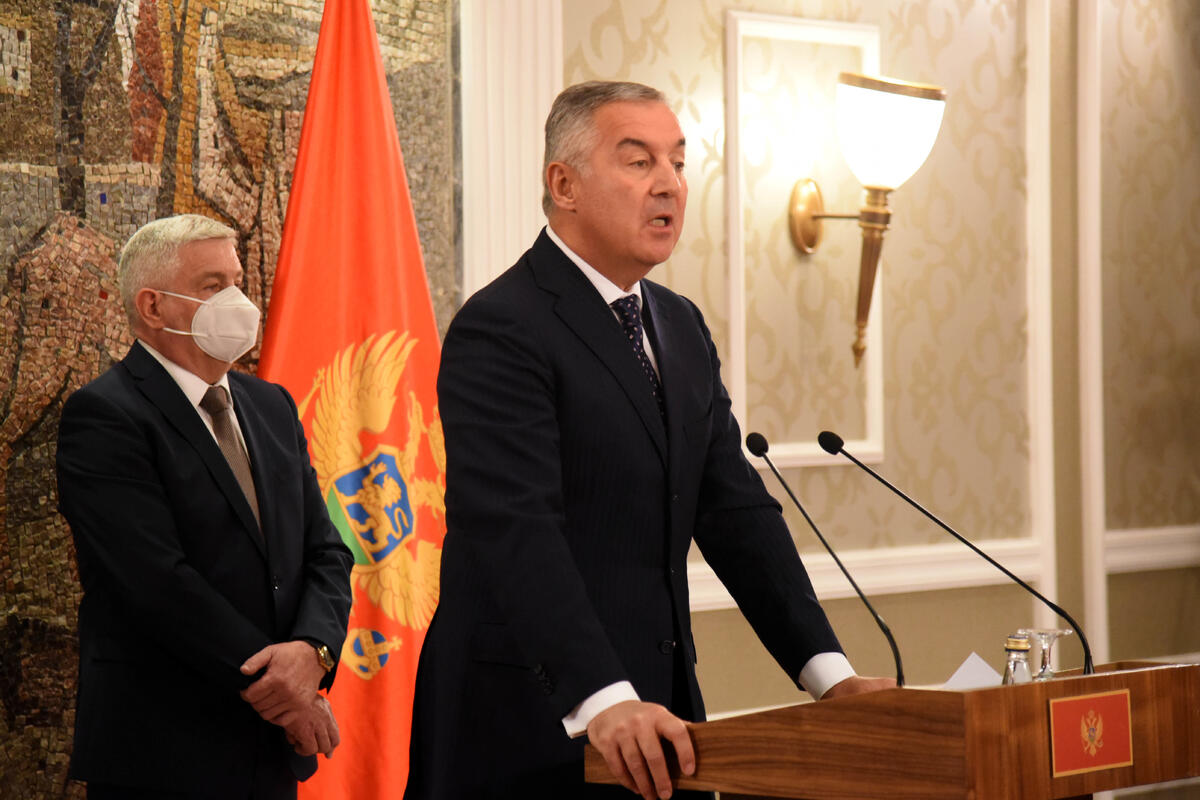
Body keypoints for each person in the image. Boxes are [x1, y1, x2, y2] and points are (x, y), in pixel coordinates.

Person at [404, 81, 894, 800]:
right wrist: (602, 697)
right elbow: (515, 528)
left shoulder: (679, 324)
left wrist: (831, 676)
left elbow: (735, 515)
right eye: (639, 162)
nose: (670, 185)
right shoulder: (503, 326)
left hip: (662, 718)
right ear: (564, 185)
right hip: (531, 720)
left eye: (679, 163)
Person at [56, 214, 355, 799]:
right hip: (165, 750)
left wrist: (314, 653)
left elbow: (326, 550)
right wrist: (283, 693)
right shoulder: (105, 415)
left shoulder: (271, 405)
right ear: (153, 306)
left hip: (269, 751)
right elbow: (156, 582)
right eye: (212, 285)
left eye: (236, 281)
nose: (237, 300)